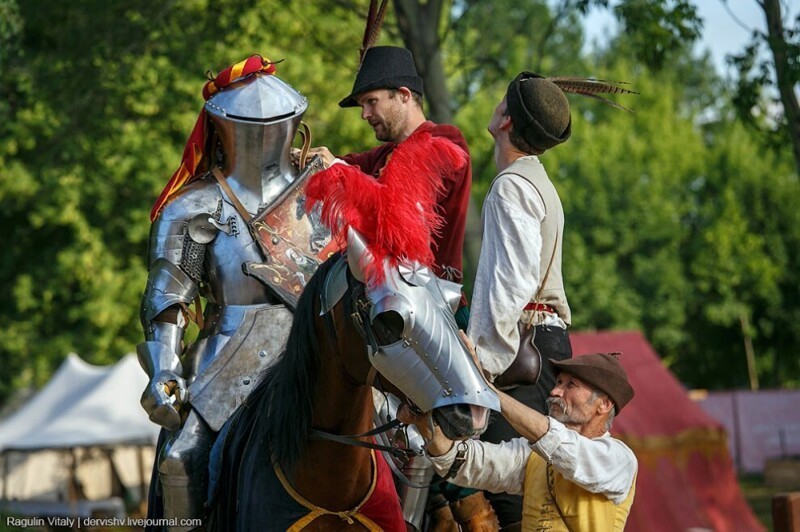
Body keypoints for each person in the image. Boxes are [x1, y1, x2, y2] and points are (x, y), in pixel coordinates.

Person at [138, 56, 314, 530]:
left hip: (320, 350)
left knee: (413, 452)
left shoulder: (325, 191)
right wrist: (165, 370)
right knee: (181, 461)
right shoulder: (194, 206)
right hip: (226, 359)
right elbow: (168, 302)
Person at [469, 72, 576, 528]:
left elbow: (513, 281)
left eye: (500, 102)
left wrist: (484, 361)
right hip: (541, 343)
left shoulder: (511, 186)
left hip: (520, 352)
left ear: (507, 120)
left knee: (515, 497)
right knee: (532, 489)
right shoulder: (538, 184)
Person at [399, 351, 638, 531]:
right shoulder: (534, 455)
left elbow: (565, 449)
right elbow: (467, 464)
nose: (555, 392)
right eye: (558, 383)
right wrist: (425, 422)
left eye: (570, 385)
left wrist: (490, 393)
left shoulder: (620, 459)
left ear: (604, 405)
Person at [305, 46, 472, 301]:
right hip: (387, 303)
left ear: (403, 95)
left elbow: (393, 211)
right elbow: (338, 163)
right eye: (363, 105)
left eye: (372, 101)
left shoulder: (445, 139)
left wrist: (335, 168)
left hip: (435, 307)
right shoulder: (384, 155)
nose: (364, 115)